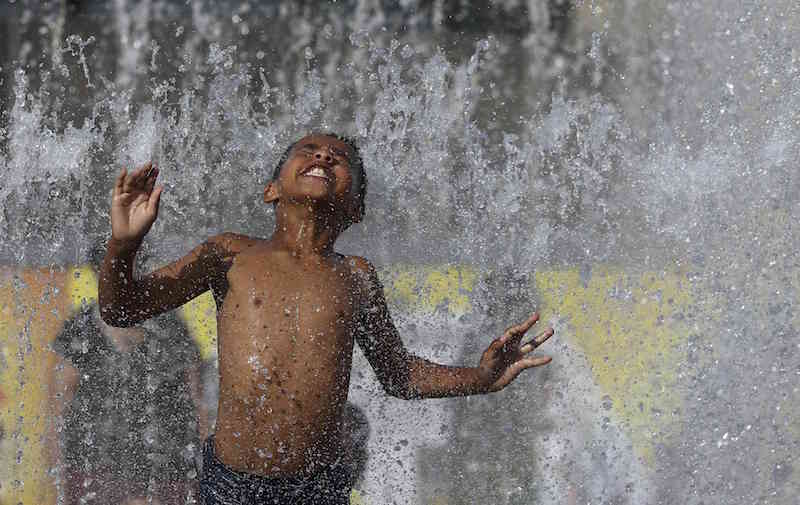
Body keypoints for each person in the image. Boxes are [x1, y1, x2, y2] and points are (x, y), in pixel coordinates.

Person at [99, 133, 555, 504]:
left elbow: (398, 375)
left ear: (355, 208)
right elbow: (121, 308)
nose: (323, 156)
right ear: (271, 189)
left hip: (318, 486)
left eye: (340, 160)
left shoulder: (356, 277)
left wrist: (479, 376)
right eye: (308, 151)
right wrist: (124, 245)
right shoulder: (228, 255)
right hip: (232, 482)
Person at [48, 246, 207, 505]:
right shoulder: (82, 328)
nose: (121, 279)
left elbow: (196, 400)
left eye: (130, 270)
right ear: (98, 275)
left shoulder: (168, 325)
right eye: (111, 272)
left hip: (165, 465)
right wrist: (57, 466)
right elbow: (57, 403)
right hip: (95, 464)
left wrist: (202, 462)